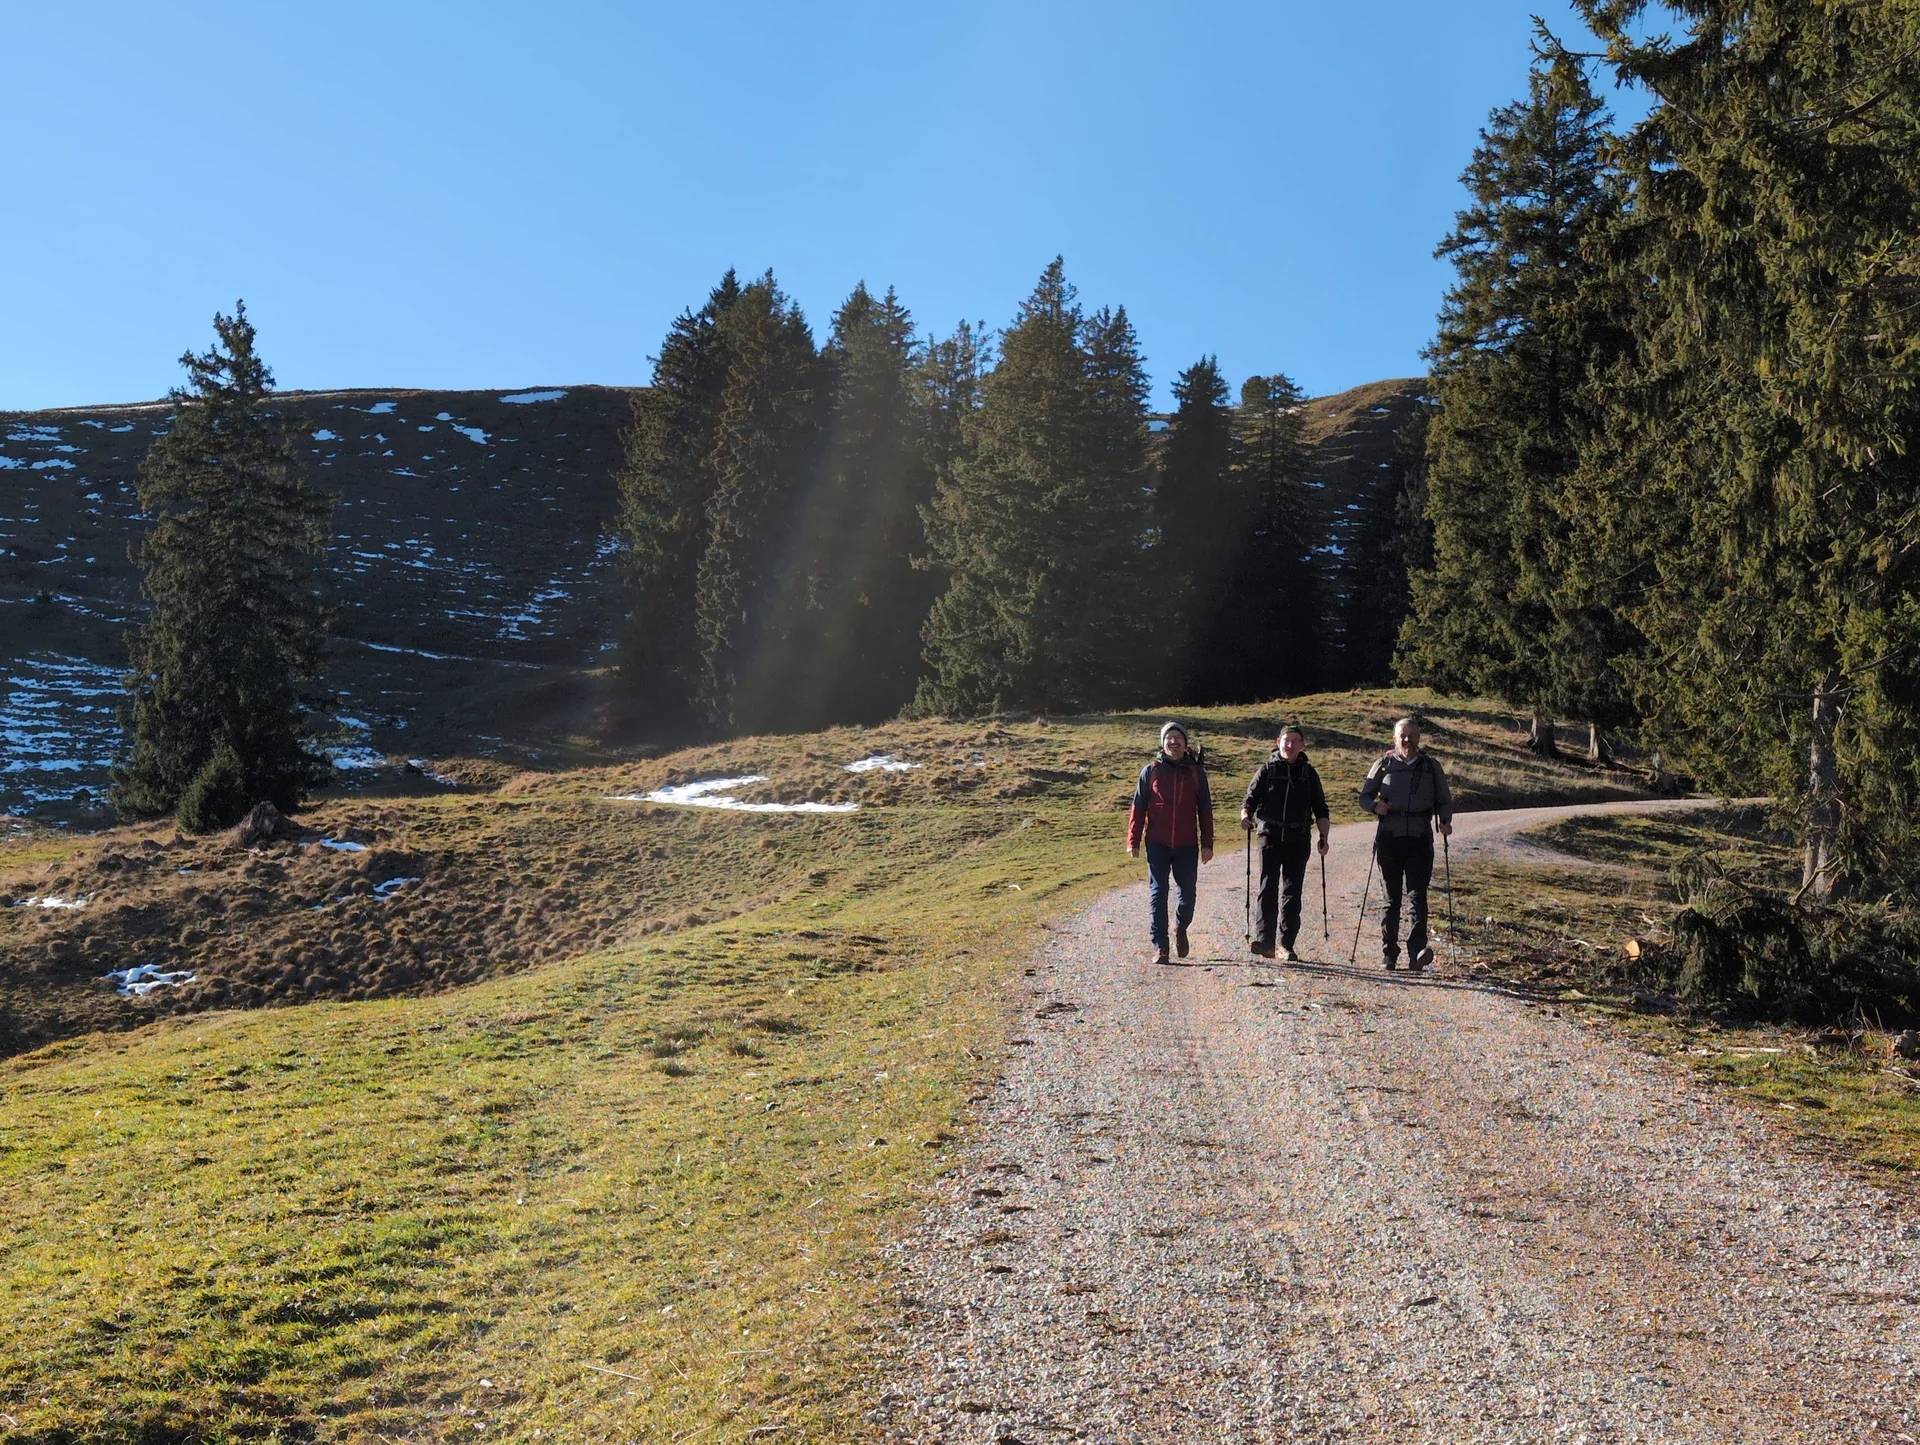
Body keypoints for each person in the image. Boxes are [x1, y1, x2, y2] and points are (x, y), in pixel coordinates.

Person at [1358, 716, 1454, 971]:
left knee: (1417, 897)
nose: (1407, 740)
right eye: (1403, 735)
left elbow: (1444, 799)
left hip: (1421, 838)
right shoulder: (1383, 764)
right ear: (1395, 738)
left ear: (1419, 738)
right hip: (1389, 837)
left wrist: (1445, 821)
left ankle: (1417, 953)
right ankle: (1389, 953)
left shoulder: (1431, 767)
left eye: (1412, 735)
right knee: (1391, 899)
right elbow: (1364, 797)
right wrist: (1374, 806)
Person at [1126, 721, 1215, 964]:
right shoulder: (1151, 770)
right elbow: (1139, 806)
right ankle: (1160, 947)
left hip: (1187, 844)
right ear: (1162, 743)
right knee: (1158, 893)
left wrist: (1207, 843)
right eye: (1169, 738)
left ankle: (1181, 927)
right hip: (1157, 843)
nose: (1173, 742)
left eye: (1178, 738)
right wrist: (1133, 840)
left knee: (1187, 895)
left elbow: (1205, 809)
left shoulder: (1196, 773)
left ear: (1186, 744)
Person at [1240, 724, 1330, 961]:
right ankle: (1264, 940)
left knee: (1292, 891)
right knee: (1267, 887)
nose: (1289, 745)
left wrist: (1324, 838)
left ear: (1302, 745)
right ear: (1278, 741)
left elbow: (1320, 808)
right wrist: (1245, 816)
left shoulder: (1309, 774)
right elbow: (1250, 799)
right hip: (1269, 835)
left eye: (1295, 741)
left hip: (1298, 838)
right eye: (1286, 741)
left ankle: (1286, 944)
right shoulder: (1267, 769)